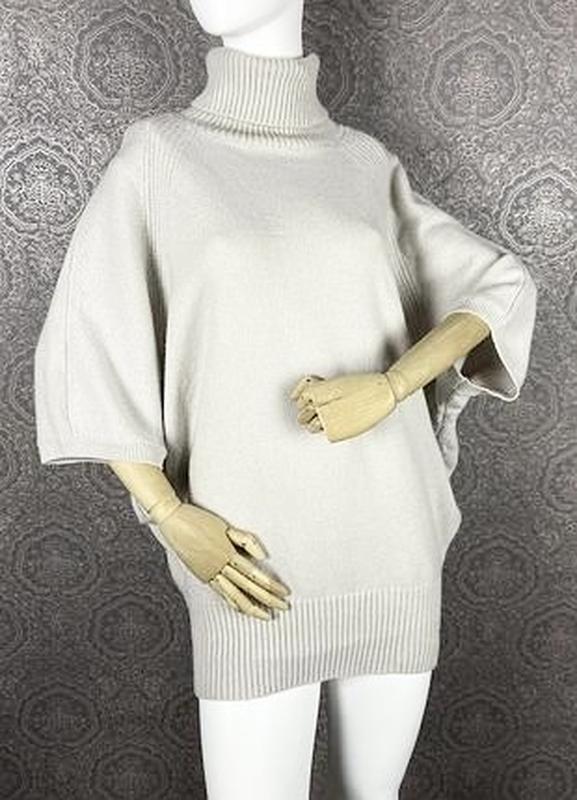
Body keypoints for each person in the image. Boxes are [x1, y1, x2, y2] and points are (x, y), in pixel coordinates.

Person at [33, 1, 537, 797]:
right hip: (248, 559)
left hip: (389, 541)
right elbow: (91, 340)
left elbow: (497, 286)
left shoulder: (363, 165)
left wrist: (392, 386)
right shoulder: (159, 157)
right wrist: (167, 513)